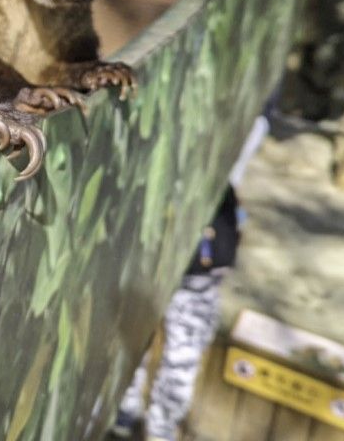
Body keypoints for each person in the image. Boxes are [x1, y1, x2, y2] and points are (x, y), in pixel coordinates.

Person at [110, 113, 265, 440]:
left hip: (199, 270)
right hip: (151, 261)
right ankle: (124, 416)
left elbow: (256, 128)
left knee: (180, 360)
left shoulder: (226, 137)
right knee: (132, 342)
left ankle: (159, 430)